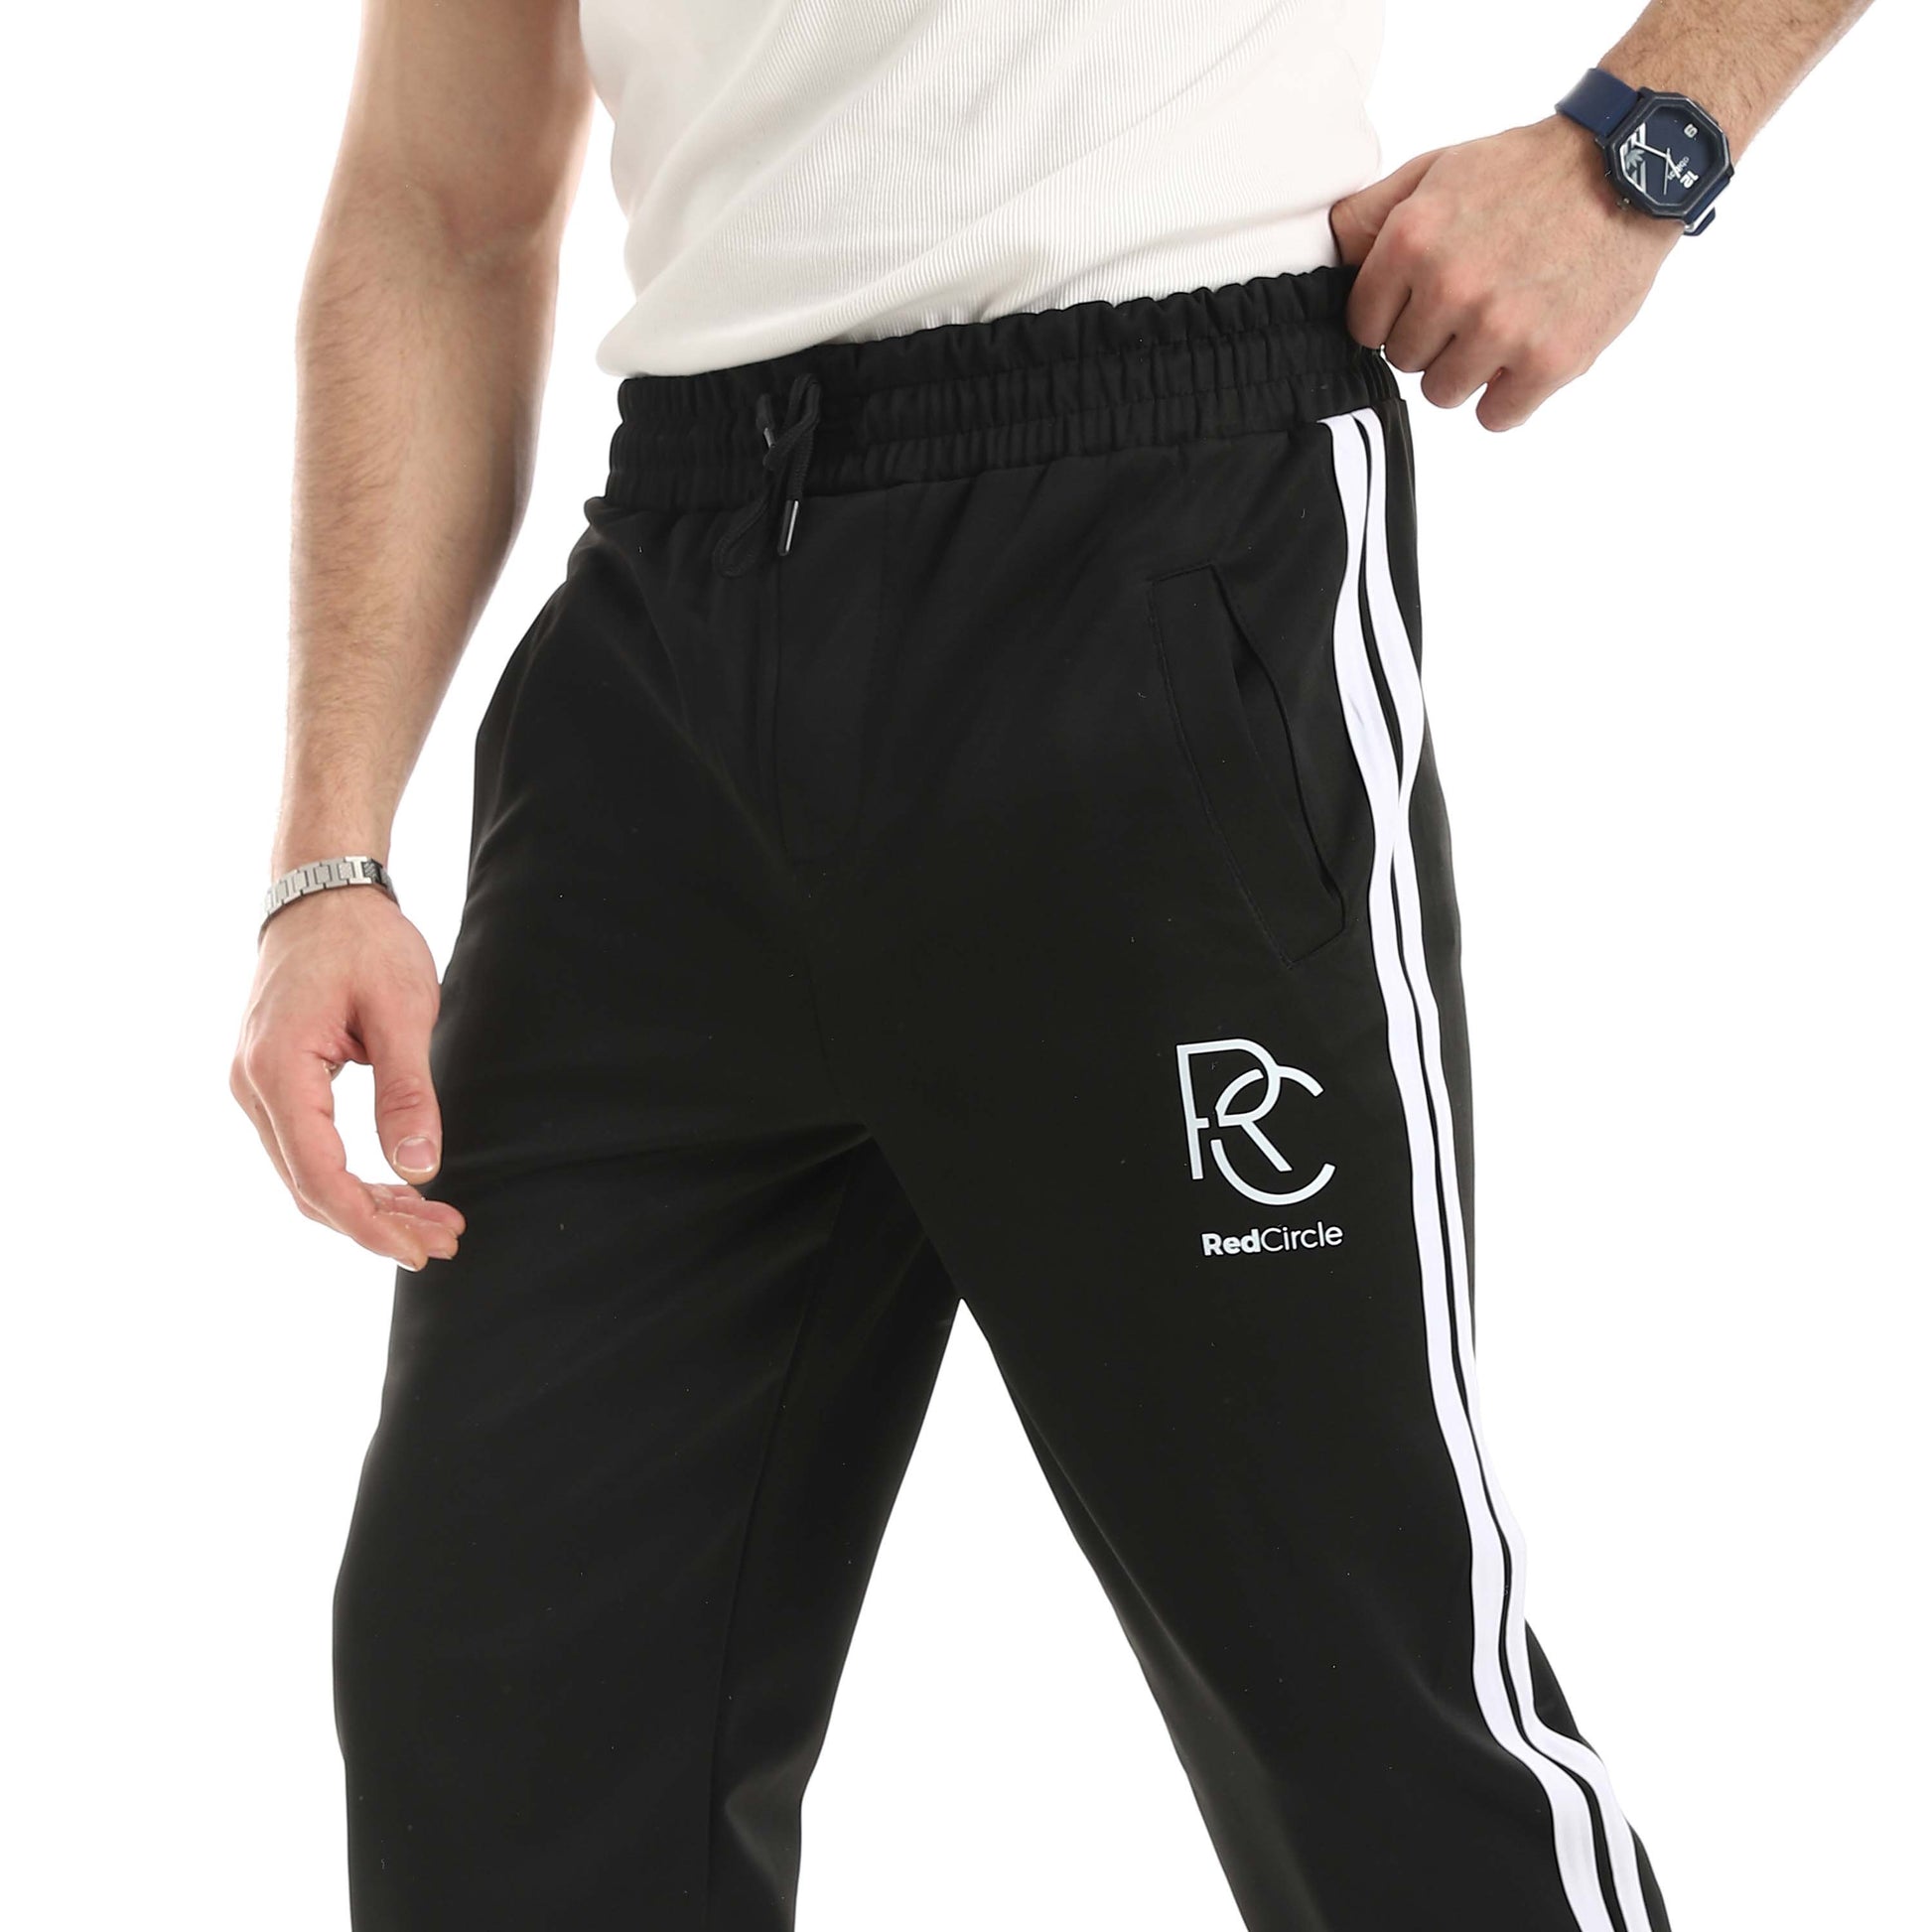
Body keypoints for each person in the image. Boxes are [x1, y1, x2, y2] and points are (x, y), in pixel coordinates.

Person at [230, 2, 1872, 1926]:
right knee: (500, 1722)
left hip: (1144, 541)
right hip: (664, 637)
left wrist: (1634, 150)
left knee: (1360, 1707)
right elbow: (439, 210)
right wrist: (328, 852)